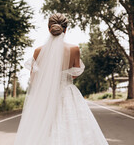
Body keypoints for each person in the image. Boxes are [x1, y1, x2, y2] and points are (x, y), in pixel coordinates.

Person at [14, 13, 109, 145]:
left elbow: (34, 79)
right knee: (73, 128)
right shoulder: (74, 49)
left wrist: (49, 78)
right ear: (65, 29)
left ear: (49, 29)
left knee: (43, 130)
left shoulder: (38, 51)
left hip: (45, 96)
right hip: (67, 93)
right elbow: (75, 74)